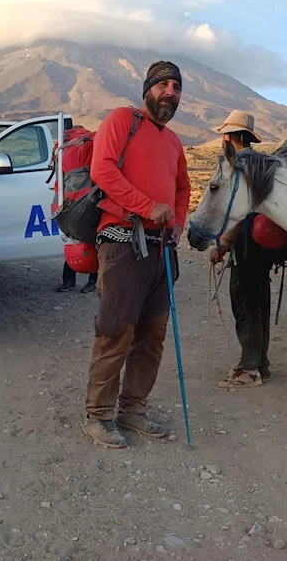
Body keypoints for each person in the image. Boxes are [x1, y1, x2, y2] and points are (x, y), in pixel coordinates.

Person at [82, 61, 190, 449]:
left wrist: (177, 222)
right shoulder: (120, 121)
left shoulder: (174, 141)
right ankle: (98, 415)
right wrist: (147, 206)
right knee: (116, 329)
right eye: (163, 84)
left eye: (176, 87)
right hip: (121, 240)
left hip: (161, 247)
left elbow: (182, 190)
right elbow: (103, 171)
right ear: (147, 89)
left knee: (152, 334)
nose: (170, 92)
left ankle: (133, 409)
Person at [208, 110, 273, 388]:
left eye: (225, 133)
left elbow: (241, 213)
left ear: (230, 136)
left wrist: (223, 244)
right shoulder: (258, 164)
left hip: (245, 246)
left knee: (246, 304)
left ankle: (249, 369)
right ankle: (262, 364)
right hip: (261, 248)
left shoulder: (239, 166)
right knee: (259, 303)